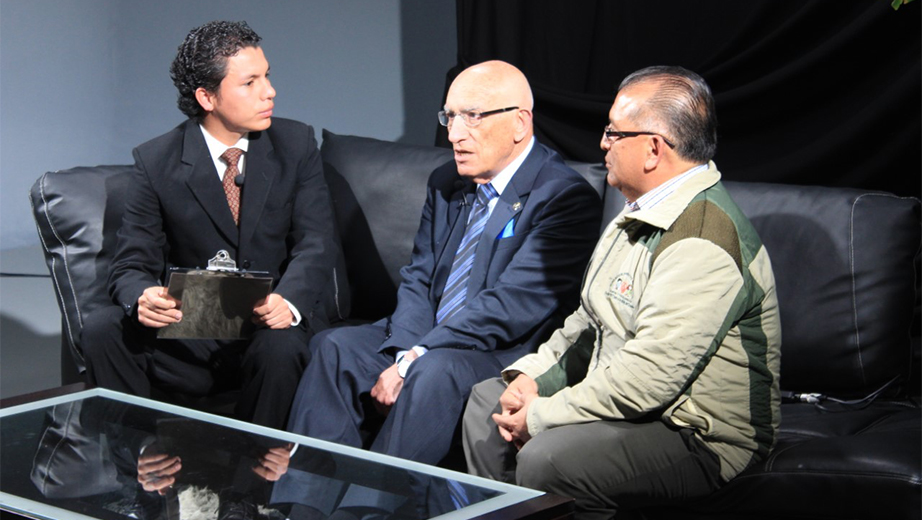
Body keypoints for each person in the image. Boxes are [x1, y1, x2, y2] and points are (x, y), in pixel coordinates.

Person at [462, 66, 782, 519]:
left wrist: (541, 414)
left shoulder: (702, 239)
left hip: (697, 435)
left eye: (614, 132)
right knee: (485, 404)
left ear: (653, 148)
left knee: (548, 457)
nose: (602, 143)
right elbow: (587, 323)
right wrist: (530, 380)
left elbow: (648, 378)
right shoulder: (635, 213)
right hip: (631, 401)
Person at [286, 60, 602, 466]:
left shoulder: (563, 198)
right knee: (333, 347)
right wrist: (405, 351)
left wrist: (416, 358)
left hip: (501, 350)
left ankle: (372, 506)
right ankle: (302, 503)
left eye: (472, 117)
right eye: (450, 117)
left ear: (520, 123)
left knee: (433, 371)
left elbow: (511, 307)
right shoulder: (446, 182)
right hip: (427, 336)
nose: (454, 134)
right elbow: (418, 277)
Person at [81, 21, 341, 430]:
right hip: (192, 330)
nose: (269, 91)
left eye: (267, 76)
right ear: (207, 97)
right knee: (103, 328)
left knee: (280, 346)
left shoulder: (296, 144)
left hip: (266, 324)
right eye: (250, 82)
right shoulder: (156, 161)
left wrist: (287, 302)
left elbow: (317, 241)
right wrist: (142, 296)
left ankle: (256, 483)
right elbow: (131, 262)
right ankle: (137, 460)